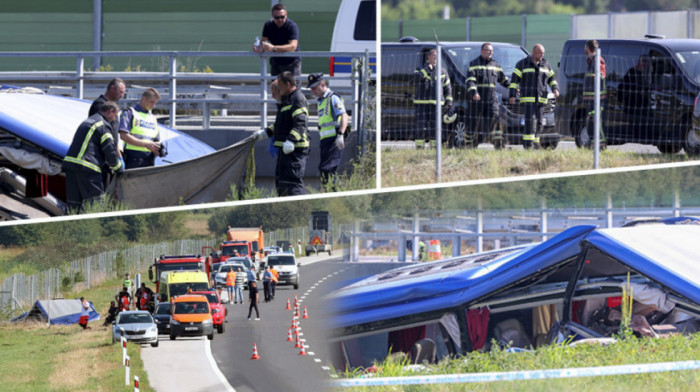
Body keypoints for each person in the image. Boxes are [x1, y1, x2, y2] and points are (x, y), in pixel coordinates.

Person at [62, 101, 123, 212]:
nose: (115, 120)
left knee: (73, 206)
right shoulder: (103, 125)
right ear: (110, 112)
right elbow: (109, 149)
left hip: (71, 166)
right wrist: (118, 167)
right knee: (96, 205)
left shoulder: (88, 121)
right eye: (115, 116)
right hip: (88, 168)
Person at [256, 71, 310, 196]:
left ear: (287, 84)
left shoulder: (297, 99)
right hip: (285, 151)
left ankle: (298, 212)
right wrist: (266, 133)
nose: (278, 89)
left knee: (292, 185)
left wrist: (291, 140)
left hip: (295, 151)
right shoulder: (287, 100)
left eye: (280, 85)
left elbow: (300, 123)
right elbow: (281, 124)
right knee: (282, 183)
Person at [509, 44, 559, 149]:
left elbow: (552, 79)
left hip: (541, 100)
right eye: (540, 53)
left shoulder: (546, 64)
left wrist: (555, 89)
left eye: (543, 53)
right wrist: (512, 95)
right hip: (528, 100)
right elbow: (514, 81)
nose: (542, 55)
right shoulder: (522, 64)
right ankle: (528, 145)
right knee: (530, 122)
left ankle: (536, 144)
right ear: (534, 52)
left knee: (540, 122)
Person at [308, 73, 348, 190]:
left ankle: (334, 193)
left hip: (334, 140)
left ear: (323, 84)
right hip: (325, 141)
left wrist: (340, 135)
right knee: (326, 170)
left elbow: (344, 116)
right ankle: (331, 192)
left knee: (327, 169)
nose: (313, 91)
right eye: (311, 88)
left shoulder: (332, 98)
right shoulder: (321, 101)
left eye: (315, 87)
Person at [466, 43, 510, 148]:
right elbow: (470, 81)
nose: (490, 52)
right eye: (488, 50)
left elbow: (504, 80)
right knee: (474, 123)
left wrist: (513, 88)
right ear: (482, 51)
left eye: (491, 51)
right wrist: (474, 92)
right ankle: (469, 145)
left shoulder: (495, 65)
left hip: (491, 98)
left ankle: (499, 146)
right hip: (477, 99)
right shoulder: (474, 64)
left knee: (496, 121)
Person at [413, 49, 452, 149]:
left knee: (435, 128)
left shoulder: (443, 71)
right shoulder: (420, 69)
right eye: (433, 56)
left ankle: (434, 149)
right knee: (420, 127)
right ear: (428, 57)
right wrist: (427, 69)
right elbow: (416, 79)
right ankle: (419, 148)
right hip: (422, 104)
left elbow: (448, 88)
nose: (435, 58)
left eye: (437, 56)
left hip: (437, 105)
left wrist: (449, 101)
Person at [89, 78, 126, 183]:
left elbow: (114, 135)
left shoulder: (112, 107)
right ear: (112, 89)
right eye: (120, 92)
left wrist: (118, 155)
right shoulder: (100, 106)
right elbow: (101, 133)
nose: (122, 95)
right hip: (100, 158)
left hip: (109, 156)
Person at [119, 88, 165, 169]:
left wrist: (157, 149)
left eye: (155, 103)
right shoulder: (130, 112)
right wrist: (146, 144)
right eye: (151, 102)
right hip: (132, 158)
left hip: (149, 159)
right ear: (143, 99)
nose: (153, 106)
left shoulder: (153, 118)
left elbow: (156, 139)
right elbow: (123, 136)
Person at [253, 4, 301, 76]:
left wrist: (273, 48)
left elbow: (293, 46)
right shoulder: (268, 25)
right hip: (276, 62)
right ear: (272, 17)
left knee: (292, 87)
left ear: (286, 15)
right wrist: (259, 47)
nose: (280, 20)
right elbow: (264, 41)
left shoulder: (291, 26)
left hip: (291, 62)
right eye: (277, 17)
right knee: (275, 86)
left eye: (282, 17)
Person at [583, 39, 607, 148]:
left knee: (597, 122)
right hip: (590, 99)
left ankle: (601, 145)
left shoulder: (597, 60)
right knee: (591, 121)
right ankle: (594, 145)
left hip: (597, 99)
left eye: (585, 47)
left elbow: (602, 75)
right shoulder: (590, 60)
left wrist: (597, 76)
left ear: (587, 47)